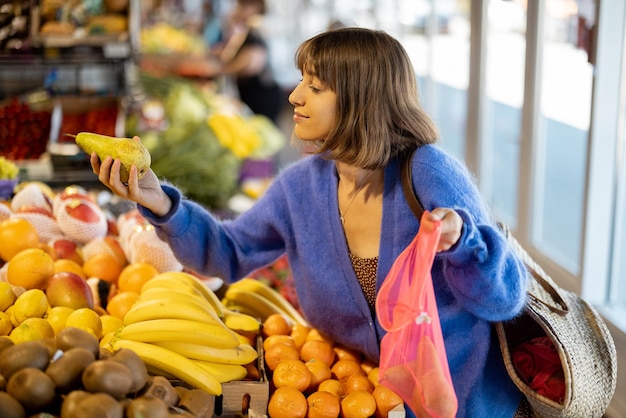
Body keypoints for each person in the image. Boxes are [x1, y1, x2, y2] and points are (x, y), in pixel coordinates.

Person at [91, 27, 529, 417]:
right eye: (302, 80)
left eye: (314, 86)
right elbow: (228, 252)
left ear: (361, 100)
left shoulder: (429, 173)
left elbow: (504, 299)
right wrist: (160, 203)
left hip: (463, 402)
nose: (294, 95)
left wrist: (463, 243)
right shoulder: (301, 187)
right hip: (364, 397)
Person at [176, 0, 283, 123]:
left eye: (242, 6)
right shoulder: (243, 28)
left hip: (262, 96)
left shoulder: (258, 27)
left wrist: (219, 69)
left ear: (256, 7)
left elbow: (252, 62)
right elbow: (230, 51)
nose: (237, 9)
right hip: (248, 92)